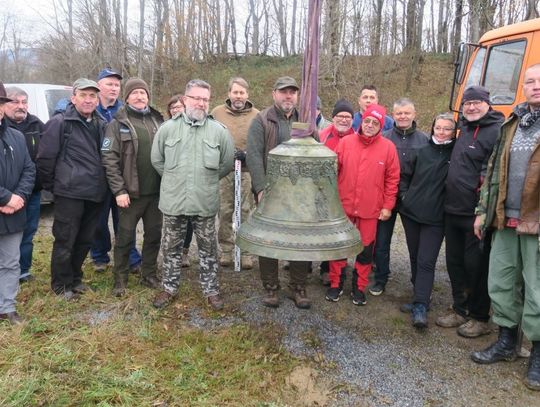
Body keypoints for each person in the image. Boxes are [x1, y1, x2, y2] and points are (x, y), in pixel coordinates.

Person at [470, 64, 540, 391]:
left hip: (536, 222)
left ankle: (537, 354)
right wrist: (483, 210)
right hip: (504, 217)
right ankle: (507, 341)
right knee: (500, 280)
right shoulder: (510, 124)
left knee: (537, 290)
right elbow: (493, 170)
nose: (535, 85)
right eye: (530, 81)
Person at [151, 79, 234, 311]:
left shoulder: (219, 131)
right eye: (196, 98)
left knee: (208, 249)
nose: (201, 103)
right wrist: (175, 179)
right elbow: (157, 160)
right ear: (185, 99)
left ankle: (211, 290)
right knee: (171, 248)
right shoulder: (167, 129)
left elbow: (226, 164)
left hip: (204, 200)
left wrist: (203, 180)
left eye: (205, 99)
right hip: (173, 201)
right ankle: (169, 287)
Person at [437, 85, 505, 338]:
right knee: (454, 263)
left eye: (477, 102)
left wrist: (483, 212)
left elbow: (495, 176)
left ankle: (480, 316)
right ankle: (459, 308)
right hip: (452, 209)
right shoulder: (464, 128)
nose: (472, 107)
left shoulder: (497, 132)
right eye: (468, 103)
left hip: (476, 213)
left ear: (488, 104)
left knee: (476, 265)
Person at [37, 78, 108, 300]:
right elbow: (45, 159)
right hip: (69, 193)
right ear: (73, 97)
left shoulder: (101, 123)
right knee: (65, 240)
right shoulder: (60, 123)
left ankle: (75, 278)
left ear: (97, 99)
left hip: (95, 192)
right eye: (84, 95)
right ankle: (61, 285)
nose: (88, 100)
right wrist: (55, 187)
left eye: (92, 96)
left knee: (85, 239)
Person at [246, 76, 313, 309]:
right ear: (274, 93)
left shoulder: (303, 121)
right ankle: (271, 287)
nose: (288, 96)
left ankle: (298, 286)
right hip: (271, 192)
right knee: (269, 239)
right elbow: (253, 155)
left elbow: (311, 152)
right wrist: (261, 188)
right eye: (284, 92)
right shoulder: (262, 120)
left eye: (292, 92)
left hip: (298, 194)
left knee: (299, 240)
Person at [325, 104, 400, 305]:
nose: (369, 125)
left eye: (375, 123)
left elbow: (392, 180)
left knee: (366, 250)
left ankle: (358, 287)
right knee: (340, 246)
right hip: (344, 206)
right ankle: (335, 284)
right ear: (361, 121)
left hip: (370, 209)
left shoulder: (388, 148)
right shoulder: (346, 143)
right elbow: (333, 172)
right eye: (367, 121)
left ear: (381, 126)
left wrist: (388, 206)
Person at [101, 78, 164, 297]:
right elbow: (109, 159)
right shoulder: (117, 124)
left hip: (156, 194)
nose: (140, 96)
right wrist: (119, 191)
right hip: (130, 194)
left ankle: (149, 274)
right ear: (126, 98)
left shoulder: (158, 121)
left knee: (154, 236)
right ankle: (120, 279)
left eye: (143, 93)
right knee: (125, 238)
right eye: (135, 93)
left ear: (148, 96)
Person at [398, 113, 457, 328]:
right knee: (414, 257)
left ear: (454, 131)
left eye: (446, 129)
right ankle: (419, 297)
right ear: (432, 128)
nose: (441, 132)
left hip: (436, 218)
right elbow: (404, 176)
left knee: (426, 260)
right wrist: (405, 197)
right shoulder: (422, 151)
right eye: (438, 128)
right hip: (412, 214)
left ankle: (421, 306)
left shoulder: (455, 153)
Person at [371, 98, 429, 296]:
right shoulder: (384, 138)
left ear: (414, 114)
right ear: (393, 116)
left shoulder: (425, 141)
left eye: (407, 113)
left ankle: (418, 282)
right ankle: (380, 278)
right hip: (385, 197)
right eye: (399, 113)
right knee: (381, 242)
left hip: (412, 199)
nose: (403, 116)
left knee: (415, 245)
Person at [91, 68, 142, 274]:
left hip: (122, 176)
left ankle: (130, 256)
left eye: (116, 85)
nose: (113, 88)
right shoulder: (91, 109)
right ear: (99, 86)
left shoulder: (124, 111)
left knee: (124, 220)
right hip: (97, 176)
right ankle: (99, 256)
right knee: (98, 220)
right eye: (109, 84)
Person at [211, 77, 259, 270]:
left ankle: (246, 251)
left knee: (246, 210)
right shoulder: (216, 113)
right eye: (235, 92)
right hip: (224, 171)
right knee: (224, 211)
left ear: (247, 94)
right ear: (229, 93)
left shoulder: (257, 115)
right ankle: (226, 250)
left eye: (242, 92)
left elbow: (260, 141)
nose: (238, 96)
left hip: (247, 171)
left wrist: (249, 155)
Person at [0, 82, 35, 325]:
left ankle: (7, 307)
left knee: (11, 262)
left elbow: (29, 169)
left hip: (14, 212)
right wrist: (5, 197)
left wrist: (19, 197)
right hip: (7, 202)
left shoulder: (16, 136)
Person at [4, 86, 44, 283]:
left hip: (31, 192)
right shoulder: (5, 128)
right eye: (15, 101)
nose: (21, 106)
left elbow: (38, 162)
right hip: (5, 194)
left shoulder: (37, 124)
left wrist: (24, 191)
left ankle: (23, 270)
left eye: (24, 102)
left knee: (28, 232)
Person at [318, 99, 356, 285]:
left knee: (340, 232)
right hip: (323, 193)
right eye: (340, 116)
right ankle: (312, 264)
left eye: (348, 117)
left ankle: (331, 268)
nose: (343, 119)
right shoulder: (322, 136)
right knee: (322, 231)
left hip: (346, 194)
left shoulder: (357, 137)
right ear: (333, 118)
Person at [166, 94, 192, 268]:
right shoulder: (165, 128)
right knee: (173, 220)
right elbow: (158, 157)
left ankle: (184, 252)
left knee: (189, 219)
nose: (176, 110)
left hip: (190, 182)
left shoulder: (192, 128)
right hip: (170, 182)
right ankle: (171, 254)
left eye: (179, 106)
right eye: (172, 107)